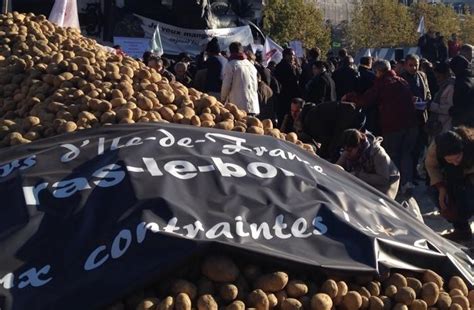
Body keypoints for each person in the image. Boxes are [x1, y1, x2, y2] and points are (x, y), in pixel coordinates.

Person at [357, 60, 418, 193]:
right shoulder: (402, 81)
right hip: (411, 124)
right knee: (407, 153)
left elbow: (366, 100)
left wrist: (351, 98)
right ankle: (407, 183)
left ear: (378, 71)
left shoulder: (382, 84)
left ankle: (396, 183)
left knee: (393, 154)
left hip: (393, 125)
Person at [425, 127, 474, 241]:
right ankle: (462, 230)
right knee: (440, 197)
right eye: (450, 160)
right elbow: (431, 166)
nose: (455, 163)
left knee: (467, 199)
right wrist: (441, 188)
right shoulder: (435, 148)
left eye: (457, 158)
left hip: (470, 174)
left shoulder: (471, 145)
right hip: (449, 176)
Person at [336, 129, 400, 199]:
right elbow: (337, 167)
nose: (346, 153)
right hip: (366, 178)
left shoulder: (377, 153)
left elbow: (383, 179)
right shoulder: (348, 151)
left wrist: (357, 175)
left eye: (349, 150)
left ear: (359, 145)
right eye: (344, 150)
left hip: (387, 182)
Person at [401, 54, 431, 188]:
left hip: (423, 115)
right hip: (410, 118)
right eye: (411, 65)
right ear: (405, 65)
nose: (414, 68)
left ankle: (417, 172)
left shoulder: (422, 75)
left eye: (416, 65)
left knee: (420, 148)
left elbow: (427, 90)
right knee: (410, 148)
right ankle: (409, 175)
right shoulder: (402, 78)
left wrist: (427, 99)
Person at [221, 42, 259, 115]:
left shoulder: (231, 65)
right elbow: (255, 86)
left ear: (230, 52)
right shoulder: (251, 65)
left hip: (238, 107)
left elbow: (226, 85)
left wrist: (223, 99)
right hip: (253, 106)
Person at [426, 62, 454, 140]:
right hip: (439, 125)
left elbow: (450, 109)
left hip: (445, 125)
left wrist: (431, 106)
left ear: (446, 74)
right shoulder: (442, 86)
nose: (437, 79)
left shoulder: (451, 87)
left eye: (438, 76)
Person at [274, 48, 301, 125]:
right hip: (286, 95)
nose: (293, 57)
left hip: (288, 95)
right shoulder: (283, 66)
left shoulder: (291, 66)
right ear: (286, 55)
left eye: (293, 55)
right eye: (291, 55)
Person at [450, 55, 474, 127]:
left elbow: (459, 102)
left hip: (464, 119)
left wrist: (452, 111)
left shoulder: (461, 82)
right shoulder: (471, 77)